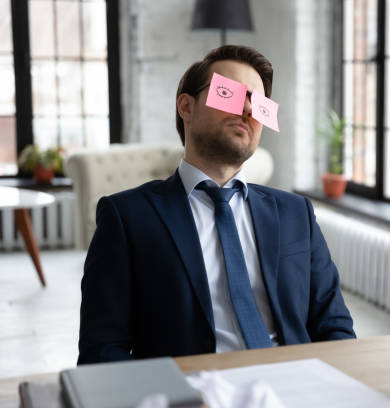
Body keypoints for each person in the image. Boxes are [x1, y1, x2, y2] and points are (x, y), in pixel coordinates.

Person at [77, 45, 355, 364]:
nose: (248, 110)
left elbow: (334, 326)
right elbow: (102, 350)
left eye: (259, 104)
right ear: (187, 107)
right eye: (231, 94)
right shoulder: (127, 217)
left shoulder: (296, 213)